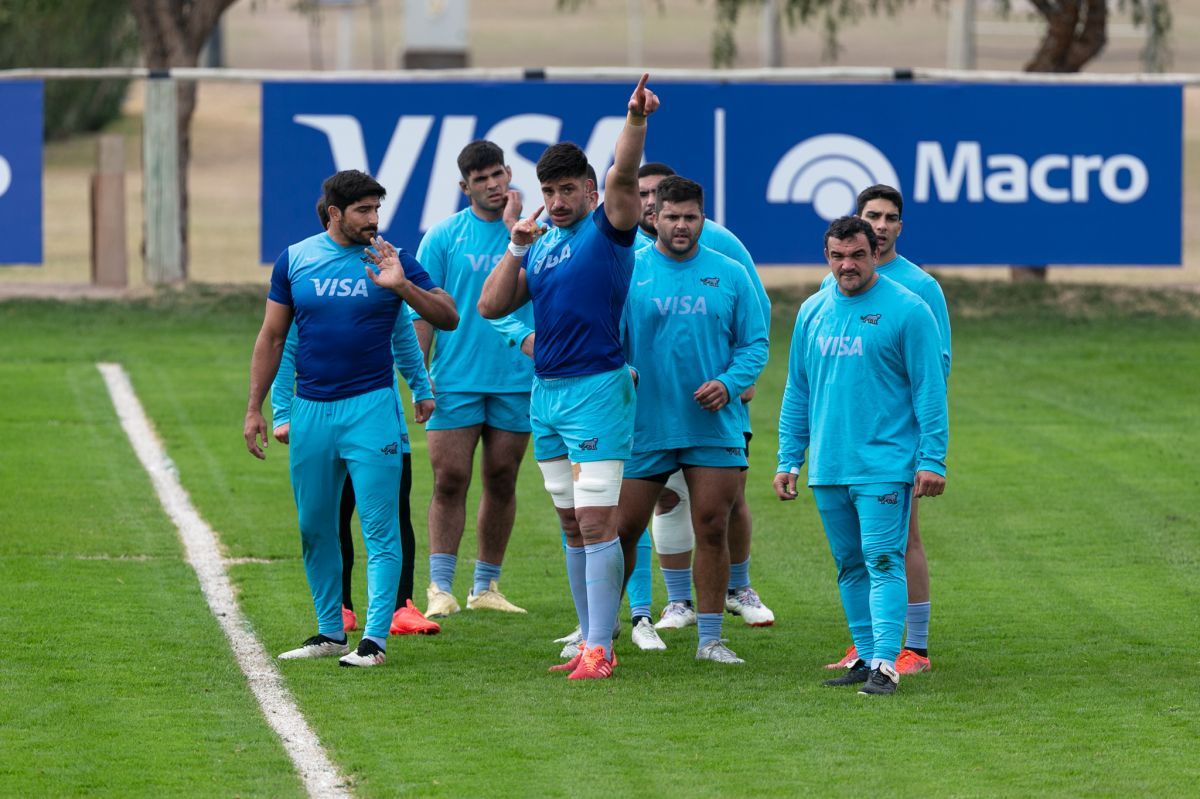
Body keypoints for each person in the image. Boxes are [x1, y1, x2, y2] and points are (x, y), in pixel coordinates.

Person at [479, 74, 659, 680]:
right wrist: (515, 248)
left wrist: (634, 121)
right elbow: (489, 307)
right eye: (548, 191)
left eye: (566, 190)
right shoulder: (546, 245)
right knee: (567, 520)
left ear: (588, 189)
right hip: (547, 395)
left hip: (598, 391)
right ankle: (588, 635)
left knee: (595, 520)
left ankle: (601, 650)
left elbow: (625, 176)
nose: (556, 202)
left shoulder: (609, 232)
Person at [244, 169, 458, 668]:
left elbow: (448, 316)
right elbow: (274, 338)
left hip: (371, 411)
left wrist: (403, 287)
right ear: (334, 213)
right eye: (363, 210)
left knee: (380, 528)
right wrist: (257, 407)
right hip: (312, 412)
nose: (373, 220)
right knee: (314, 525)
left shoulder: (392, 259)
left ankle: (375, 640)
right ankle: (329, 631)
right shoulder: (295, 260)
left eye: (377, 209)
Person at [774, 215, 948, 696]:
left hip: (885, 465)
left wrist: (933, 459)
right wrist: (789, 458)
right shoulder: (812, 310)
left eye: (856, 255)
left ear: (876, 254)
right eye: (837, 256)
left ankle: (888, 665)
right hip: (830, 465)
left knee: (884, 559)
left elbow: (930, 392)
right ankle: (867, 654)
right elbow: (798, 390)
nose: (846, 265)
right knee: (849, 564)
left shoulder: (909, 310)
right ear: (826, 256)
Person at [617, 176, 769, 663]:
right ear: (654, 216)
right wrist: (624, 372)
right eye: (672, 216)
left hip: (713, 425)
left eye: (691, 217)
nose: (681, 226)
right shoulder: (629, 270)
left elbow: (755, 343)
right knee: (622, 530)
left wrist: (728, 382)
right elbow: (605, 339)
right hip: (646, 425)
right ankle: (598, 631)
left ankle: (710, 640)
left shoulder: (729, 272)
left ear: (703, 218)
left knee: (711, 525)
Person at [821, 184, 952, 675]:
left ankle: (912, 648)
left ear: (900, 226)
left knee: (901, 542)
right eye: (870, 215)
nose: (879, 224)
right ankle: (871, 646)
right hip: (845, 445)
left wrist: (925, 449)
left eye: (888, 217)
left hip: (895, 440)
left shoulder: (920, 289)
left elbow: (935, 368)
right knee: (862, 553)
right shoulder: (832, 282)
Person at [413, 140, 535, 619]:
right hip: (456, 378)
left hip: (516, 378)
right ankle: (439, 586)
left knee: (502, 478)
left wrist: (518, 231)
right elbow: (423, 309)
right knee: (450, 478)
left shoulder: (533, 234)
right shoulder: (443, 237)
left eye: (497, 175)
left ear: (508, 174)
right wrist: (420, 377)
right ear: (464, 187)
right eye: (480, 179)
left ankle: (485, 585)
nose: (491, 185)